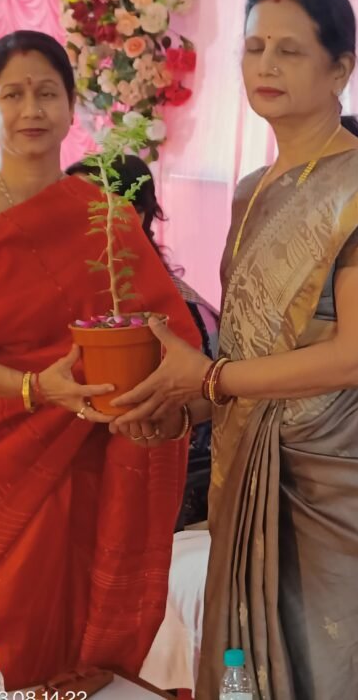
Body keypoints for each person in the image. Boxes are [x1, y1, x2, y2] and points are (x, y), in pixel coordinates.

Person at [108, 0, 358, 698]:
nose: (267, 65)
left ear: (340, 69)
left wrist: (207, 379)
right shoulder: (255, 190)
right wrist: (184, 404)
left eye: (290, 50)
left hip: (355, 493)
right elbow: (260, 355)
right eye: (254, 48)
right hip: (261, 472)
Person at [0, 30, 202, 696]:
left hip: (83, 457)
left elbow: (170, 337)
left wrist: (156, 402)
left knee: (64, 639)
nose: (31, 110)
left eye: (46, 93)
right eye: (12, 95)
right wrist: (35, 388)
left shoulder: (107, 218)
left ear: (70, 107)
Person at [66, 155, 219, 527]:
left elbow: (206, 410)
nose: (67, 218)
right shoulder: (69, 297)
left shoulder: (182, 310)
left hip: (166, 480)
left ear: (132, 215)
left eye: (86, 205)